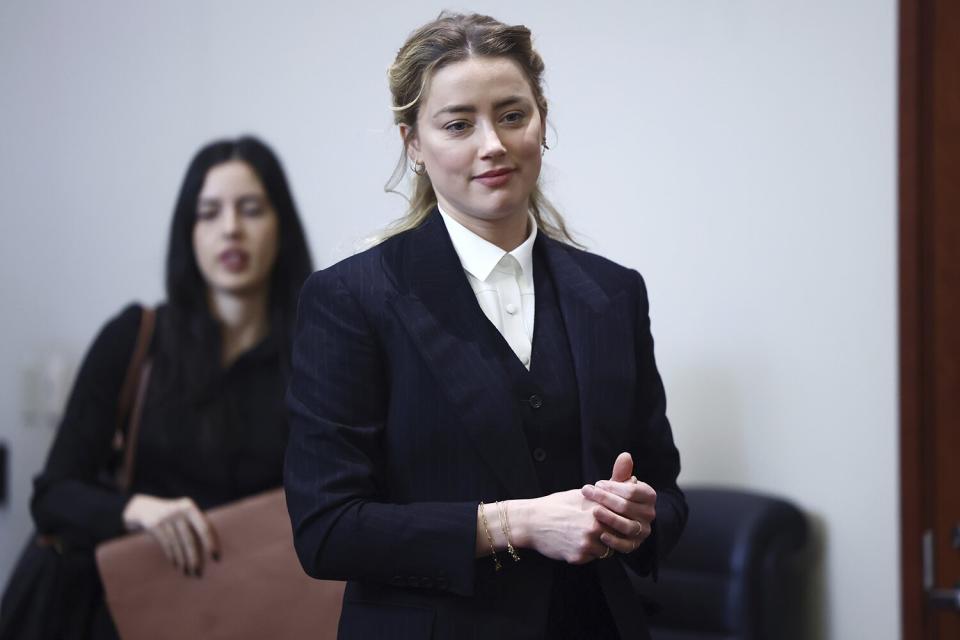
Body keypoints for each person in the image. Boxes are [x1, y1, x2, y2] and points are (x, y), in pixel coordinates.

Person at [284, 12, 687, 640]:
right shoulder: (349, 299)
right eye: (457, 124)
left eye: (511, 114)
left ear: (542, 122)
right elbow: (327, 530)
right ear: (413, 143)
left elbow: (668, 492)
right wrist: (519, 523)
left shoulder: (613, 292)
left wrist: (640, 519)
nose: (492, 143)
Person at [25, 136, 313, 639]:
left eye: (251, 209)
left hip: (270, 615)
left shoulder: (320, 354)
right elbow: (52, 494)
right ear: (189, 231)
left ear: (281, 226)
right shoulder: (136, 339)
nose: (231, 229)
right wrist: (135, 510)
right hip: (134, 611)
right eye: (209, 212)